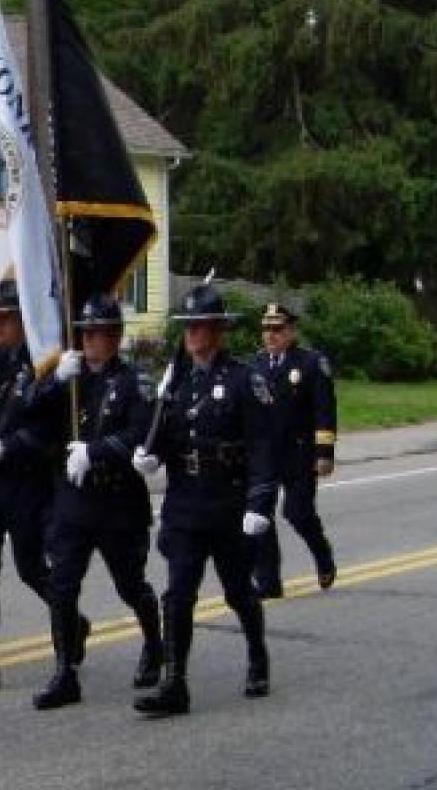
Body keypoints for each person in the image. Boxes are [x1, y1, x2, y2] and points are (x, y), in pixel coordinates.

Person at [131, 283, 278, 718]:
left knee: (237, 592)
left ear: (218, 330)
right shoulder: (176, 382)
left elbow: (263, 448)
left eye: (200, 326)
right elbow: (166, 436)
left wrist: (260, 504)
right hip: (185, 503)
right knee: (177, 596)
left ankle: (257, 655)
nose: (192, 334)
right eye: (188, 327)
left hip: (228, 504)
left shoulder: (243, 379)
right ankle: (174, 683)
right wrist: (150, 454)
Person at [0, 279, 89, 695]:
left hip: (22, 483)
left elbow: (45, 434)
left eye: (7, 318)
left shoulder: (44, 364)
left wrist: (6, 448)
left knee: (30, 570)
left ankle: (71, 622)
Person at [30, 293, 164, 711]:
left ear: (116, 336)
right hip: (73, 503)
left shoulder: (133, 381)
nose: (92, 341)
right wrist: (51, 383)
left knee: (129, 585)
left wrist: (96, 451)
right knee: (62, 586)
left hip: (116, 501)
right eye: (86, 333)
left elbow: (139, 432)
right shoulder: (69, 377)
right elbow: (27, 415)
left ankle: (155, 644)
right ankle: (65, 672)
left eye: (101, 333)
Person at [250, 303, 338, 598]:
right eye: (266, 329)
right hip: (265, 456)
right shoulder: (256, 365)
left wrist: (324, 453)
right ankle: (268, 581)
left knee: (298, 512)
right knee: (259, 518)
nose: (270, 335)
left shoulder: (311, 363)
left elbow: (324, 410)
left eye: (277, 329)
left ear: (291, 331)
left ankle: (323, 556)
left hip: (299, 454)